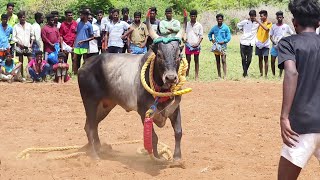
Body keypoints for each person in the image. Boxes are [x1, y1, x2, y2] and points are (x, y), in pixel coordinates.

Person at [277, 0, 320, 179]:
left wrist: (284, 116)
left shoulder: (288, 43)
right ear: (318, 22)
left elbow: (291, 73)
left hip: (301, 125)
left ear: (294, 22)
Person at [270, 11, 294, 77]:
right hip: (274, 46)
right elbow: (270, 36)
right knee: (272, 61)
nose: (279, 18)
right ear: (276, 18)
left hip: (282, 47)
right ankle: (273, 75)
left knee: (281, 62)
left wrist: (287, 41)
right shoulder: (273, 26)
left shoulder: (286, 26)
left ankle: (280, 75)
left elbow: (292, 34)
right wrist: (273, 41)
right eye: (278, 17)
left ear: (283, 17)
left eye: (280, 17)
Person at [208, 13, 231, 78]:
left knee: (223, 60)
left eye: (220, 19)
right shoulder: (214, 28)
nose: (219, 20)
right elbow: (209, 34)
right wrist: (212, 40)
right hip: (216, 46)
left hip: (223, 46)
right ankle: (219, 75)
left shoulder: (226, 27)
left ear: (222, 20)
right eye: (218, 19)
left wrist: (224, 41)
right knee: (217, 60)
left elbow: (229, 37)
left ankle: (225, 75)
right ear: (216, 20)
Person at [12, 11, 35, 77]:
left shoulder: (29, 25)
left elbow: (32, 36)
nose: (23, 18)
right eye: (21, 17)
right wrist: (18, 43)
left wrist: (31, 44)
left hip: (28, 46)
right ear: (19, 18)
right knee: (20, 61)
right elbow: (13, 37)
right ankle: (21, 75)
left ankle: (31, 75)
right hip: (19, 46)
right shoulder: (16, 26)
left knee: (30, 60)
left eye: (24, 17)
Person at [237, 10, 259, 77]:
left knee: (249, 59)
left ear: (255, 16)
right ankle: (245, 73)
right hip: (243, 42)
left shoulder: (257, 24)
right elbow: (238, 25)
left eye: (253, 16)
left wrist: (258, 21)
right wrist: (242, 30)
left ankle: (245, 70)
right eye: (251, 16)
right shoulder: (245, 22)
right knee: (243, 58)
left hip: (251, 43)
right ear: (249, 16)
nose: (252, 17)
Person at [73, 9, 94, 74]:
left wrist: (84, 41)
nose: (80, 15)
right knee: (75, 59)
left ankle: (85, 73)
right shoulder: (79, 23)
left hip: (84, 46)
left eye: (81, 14)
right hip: (77, 45)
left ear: (85, 15)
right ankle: (75, 73)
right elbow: (77, 33)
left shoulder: (89, 25)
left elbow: (92, 37)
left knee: (85, 60)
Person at [185, 9, 203, 80]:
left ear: (196, 16)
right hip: (188, 45)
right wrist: (184, 39)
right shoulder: (187, 24)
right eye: (192, 16)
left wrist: (197, 43)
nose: (193, 17)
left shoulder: (199, 25)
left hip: (196, 45)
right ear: (190, 16)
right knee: (187, 60)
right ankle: (187, 74)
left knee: (196, 60)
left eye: (194, 16)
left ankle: (196, 76)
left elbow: (201, 36)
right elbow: (184, 33)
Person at [255, 10, 272, 77]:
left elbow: (266, 29)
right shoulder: (259, 24)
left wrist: (259, 22)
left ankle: (266, 75)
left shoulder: (269, 23)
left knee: (266, 59)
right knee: (260, 59)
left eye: (262, 16)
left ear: (266, 16)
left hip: (265, 44)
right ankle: (261, 74)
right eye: (260, 16)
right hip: (259, 44)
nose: (261, 17)